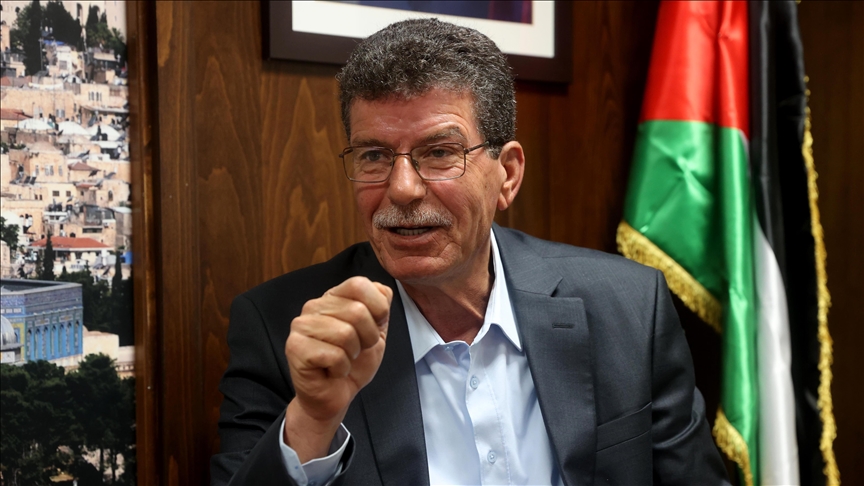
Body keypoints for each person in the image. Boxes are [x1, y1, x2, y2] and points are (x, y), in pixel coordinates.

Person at [211, 18, 729, 486]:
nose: (402, 189)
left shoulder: (627, 307)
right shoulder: (283, 327)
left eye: (440, 152)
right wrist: (313, 418)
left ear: (508, 175)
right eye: (374, 156)